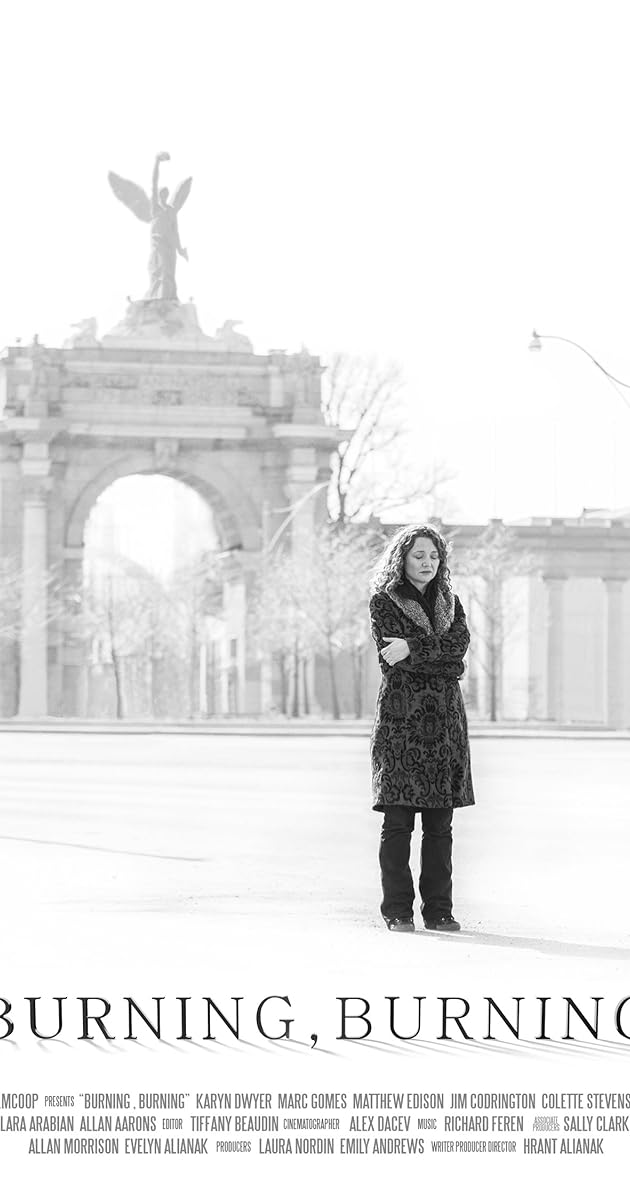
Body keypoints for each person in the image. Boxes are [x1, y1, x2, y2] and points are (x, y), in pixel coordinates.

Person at [369, 524, 474, 933]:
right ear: (402, 559)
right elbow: (391, 658)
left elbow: (458, 651)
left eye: (434, 555)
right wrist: (440, 658)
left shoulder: (451, 603)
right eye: (419, 555)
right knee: (397, 825)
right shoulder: (384, 601)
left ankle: (439, 911)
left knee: (439, 828)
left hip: (445, 726)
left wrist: (412, 647)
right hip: (401, 724)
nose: (428, 562)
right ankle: (397, 910)